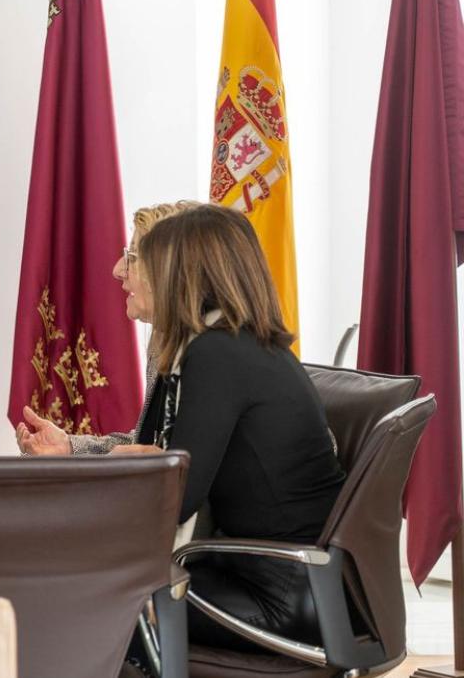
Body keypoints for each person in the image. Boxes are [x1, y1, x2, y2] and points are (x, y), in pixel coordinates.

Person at [34, 203, 346, 652]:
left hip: (277, 593)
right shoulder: (238, 346)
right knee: (73, 586)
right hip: (291, 582)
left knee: (72, 599)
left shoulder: (217, 355)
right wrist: (149, 460)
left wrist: (150, 465)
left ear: (181, 277)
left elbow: (176, 499)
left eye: (149, 264)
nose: (128, 272)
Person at [16, 201, 196, 456]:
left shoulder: (206, 353)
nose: (118, 270)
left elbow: (177, 460)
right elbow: (145, 442)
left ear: (166, 268)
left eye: (132, 257)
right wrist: (69, 447)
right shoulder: (164, 337)